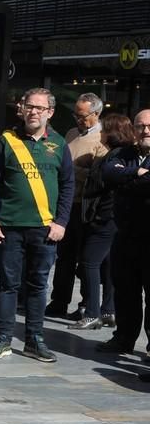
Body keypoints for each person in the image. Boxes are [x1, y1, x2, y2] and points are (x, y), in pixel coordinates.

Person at [0, 88, 74, 362]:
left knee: (37, 285)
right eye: (29, 106)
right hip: (10, 226)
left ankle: (35, 340)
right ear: (22, 109)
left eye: (39, 108)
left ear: (50, 112)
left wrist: (62, 222)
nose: (33, 112)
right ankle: (3, 339)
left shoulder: (58, 144)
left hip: (45, 229)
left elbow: (68, 185)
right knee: (8, 285)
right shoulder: (7, 140)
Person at [45, 93, 107, 320]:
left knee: (86, 261)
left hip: (87, 206)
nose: (78, 120)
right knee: (64, 257)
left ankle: (86, 305)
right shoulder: (70, 134)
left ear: (96, 114)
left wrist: (72, 171)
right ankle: (58, 301)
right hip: (66, 205)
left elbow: (99, 174)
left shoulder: (103, 138)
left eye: (82, 116)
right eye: (76, 115)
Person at [71, 114, 134, 329]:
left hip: (105, 217)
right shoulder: (123, 155)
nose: (101, 134)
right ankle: (108, 311)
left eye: (104, 130)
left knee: (89, 262)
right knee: (107, 265)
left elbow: (100, 183)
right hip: (111, 217)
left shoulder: (114, 156)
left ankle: (92, 313)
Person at [97, 109, 150, 357]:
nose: (145, 131)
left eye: (149, 126)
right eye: (140, 126)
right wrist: (135, 174)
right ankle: (123, 338)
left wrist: (126, 180)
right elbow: (107, 174)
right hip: (125, 234)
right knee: (125, 290)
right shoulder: (122, 153)